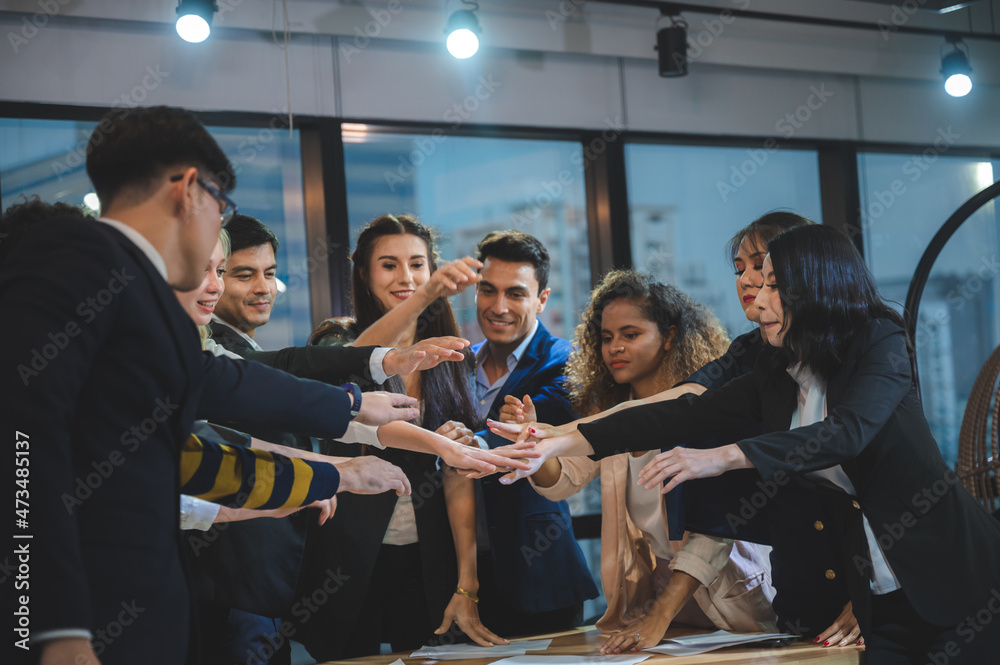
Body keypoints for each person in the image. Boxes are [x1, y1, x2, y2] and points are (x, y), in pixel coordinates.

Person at [0, 104, 439, 665]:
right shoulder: (72, 255)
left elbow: (197, 449)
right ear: (189, 190)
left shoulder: (141, 296)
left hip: (146, 613)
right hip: (78, 622)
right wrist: (51, 630)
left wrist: (335, 451)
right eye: (221, 208)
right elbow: (25, 447)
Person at [496, 224, 1000, 664]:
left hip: (959, 581)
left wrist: (725, 456)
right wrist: (557, 442)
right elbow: (684, 411)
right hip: (877, 596)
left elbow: (848, 432)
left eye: (775, 286)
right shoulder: (774, 370)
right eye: (754, 282)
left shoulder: (878, 338)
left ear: (817, 286)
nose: (756, 301)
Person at [513, 270, 777, 643]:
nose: (614, 348)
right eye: (606, 338)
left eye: (630, 335)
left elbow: (717, 530)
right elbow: (562, 482)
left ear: (669, 337)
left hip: (725, 593)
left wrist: (662, 611)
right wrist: (534, 447)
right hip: (661, 597)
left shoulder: (708, 410)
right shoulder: (616, 416)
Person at [304, 214, 505, 658]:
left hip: (427, 557)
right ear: (364, 273)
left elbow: (459, 475)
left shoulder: (453, 352)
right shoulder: (335, 340)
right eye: (389, 265)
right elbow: (356, 364)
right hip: (348, 559)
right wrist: (427, 295)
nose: (406, 277)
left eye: (417, 264)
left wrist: (467, 585)